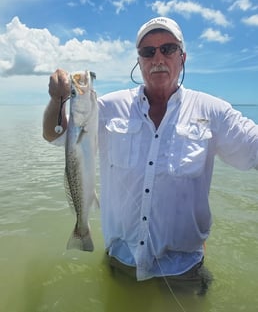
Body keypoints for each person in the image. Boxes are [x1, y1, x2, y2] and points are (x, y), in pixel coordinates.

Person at [43, 16, 258, 283]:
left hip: (184, 268)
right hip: (121, 262)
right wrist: (57, 99)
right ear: (139, 60)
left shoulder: (213, 112)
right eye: (148, 51)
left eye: (168, 49)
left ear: (183, 57)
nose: (158, 58)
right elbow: (56, 136)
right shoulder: (108, 107)